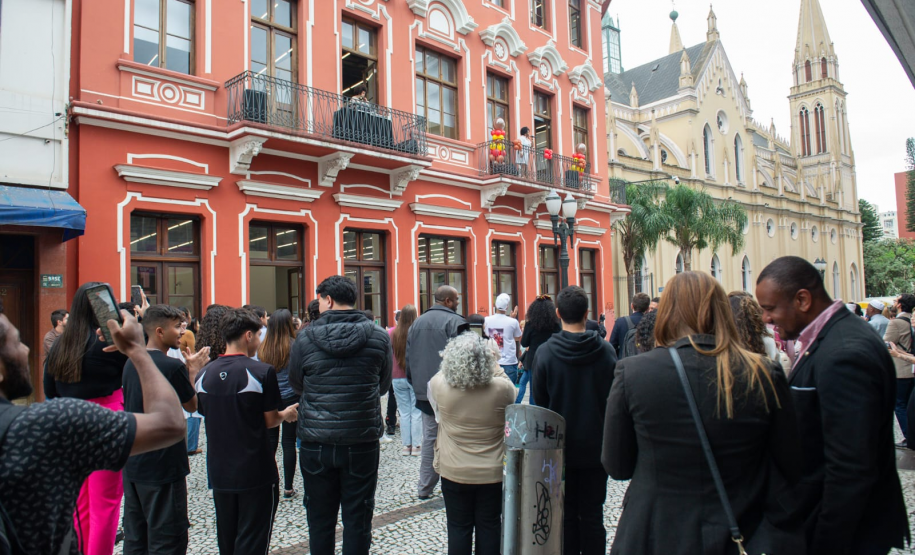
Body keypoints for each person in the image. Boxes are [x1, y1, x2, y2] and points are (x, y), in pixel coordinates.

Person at [603, 271, 803, 554]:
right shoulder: (763, 372)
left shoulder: (635, 372)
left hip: (656, 533)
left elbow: (617, 465)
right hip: (744, 529)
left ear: (667, 312)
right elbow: (790, 463)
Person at [0, 299, 187, 555]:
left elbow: (50, 388)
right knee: (105, 507)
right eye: (15, 342)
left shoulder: (58, 353)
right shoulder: (45, 424)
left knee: (84, 509)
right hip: (100, 417)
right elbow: (170, 424)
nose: (25, 349)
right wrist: (137, 350)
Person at [756, 256, 910, 554]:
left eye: (770, 308)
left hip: (840, 534)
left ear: (802, 299)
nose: (766, 319)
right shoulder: (833, 338)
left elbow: (850, 467)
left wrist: (824, 543)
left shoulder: (844, 352)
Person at [288, 275, 392, 555]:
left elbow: (297, 383)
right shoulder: (378, 335)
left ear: (328, 300)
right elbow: (383, 385)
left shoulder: (305, 336)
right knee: (358, 518)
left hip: (316, 440)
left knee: (320, 520)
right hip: (361, 439)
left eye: (320, 299)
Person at [195, 308, 298, 555]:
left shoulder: (202, 374)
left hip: (220, 471)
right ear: (248, 336)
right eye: (260, 335)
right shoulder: (262, 372)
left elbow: (201, 410)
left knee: (227, 540)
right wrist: (287, 414)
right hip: (255, 471)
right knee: (253, 540)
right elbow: (271, 419)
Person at [44, 282, 133, 555]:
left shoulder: (60, 344)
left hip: (68, 421)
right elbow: (133, 376)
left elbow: (50, 390)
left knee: (80, 503)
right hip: (107, 420)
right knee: (105, 504)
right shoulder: (110, 345)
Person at [531, 286, 618, 555]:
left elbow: (539, 404)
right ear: (587, 313)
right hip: (596, 448)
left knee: (565, 515)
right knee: (593, 515)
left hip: (559, 451)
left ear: (558, 314)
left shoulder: (545, 353)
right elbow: (613, 398)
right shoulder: (605, 352)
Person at [121, 305, 210, 555]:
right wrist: (192, 370)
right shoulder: (172, 366)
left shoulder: (131, 362)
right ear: (159, 331)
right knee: (167, 537)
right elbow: (192, 404)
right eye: (177, 327)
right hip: (163, 461)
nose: (182, 332)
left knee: (136, 535)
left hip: (134, 458)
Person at [428, 333, 515, 555]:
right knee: (490, 526)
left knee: (458, 528)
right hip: (491, 472)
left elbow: (440, 375)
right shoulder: (501, 390)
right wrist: (492, 363)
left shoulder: (440, 386)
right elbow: (510, 388)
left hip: (454, 469)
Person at [406, 285, 469, 500]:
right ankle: (454, 484)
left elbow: (408, 356)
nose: (458, 302)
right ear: (448, 301)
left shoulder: (416, 323)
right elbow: (466, 359)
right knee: (456, 437)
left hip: (424, 390)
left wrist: (415, 383)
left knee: (430, 438)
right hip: (452, 390)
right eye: (456, 299)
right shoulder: (456, 322)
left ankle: (425, 487)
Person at [258, 309, 301, 499]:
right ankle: (288, 487)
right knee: (289, 442)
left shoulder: (263, 347)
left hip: (269, 398)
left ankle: (270, 481)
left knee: (270, 442)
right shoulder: (294, 345)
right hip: (291, 397)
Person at [389, 305, 423, 456]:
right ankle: (416, 446)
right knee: (416, 412)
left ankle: (405, 446)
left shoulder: (391, 332)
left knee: (403, 412)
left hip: (396, 376)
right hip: (414, 375)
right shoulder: (417, 332)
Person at [885, 293, 915, 447]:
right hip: (911, 367)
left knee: (900, 405)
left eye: (896, 300)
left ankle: (909, 436)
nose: (894, 302)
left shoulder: (896, 322)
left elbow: (887, 343)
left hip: (901, 369)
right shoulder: (910, 319)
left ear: (899, 304)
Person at [519, 295, 561, 405]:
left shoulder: (530, 324)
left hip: (534, 360)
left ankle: (535, 417)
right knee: (550, 389)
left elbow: (524, 343)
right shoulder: (555, 324)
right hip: (552, 359)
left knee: (534, 391)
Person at [483, 293, 522, 384]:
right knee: (510, 392)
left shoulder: (486, 320)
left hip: (491, 360)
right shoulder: (513, 322)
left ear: (495, 305)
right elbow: (518, 337)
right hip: (509, 362)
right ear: (507, 307)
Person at [609, 292, 650, 357]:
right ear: (648, 308)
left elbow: (612, 346)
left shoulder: (621, 322)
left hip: (625, 362)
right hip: (646, 362)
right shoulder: (651, 322)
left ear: (632, 306)